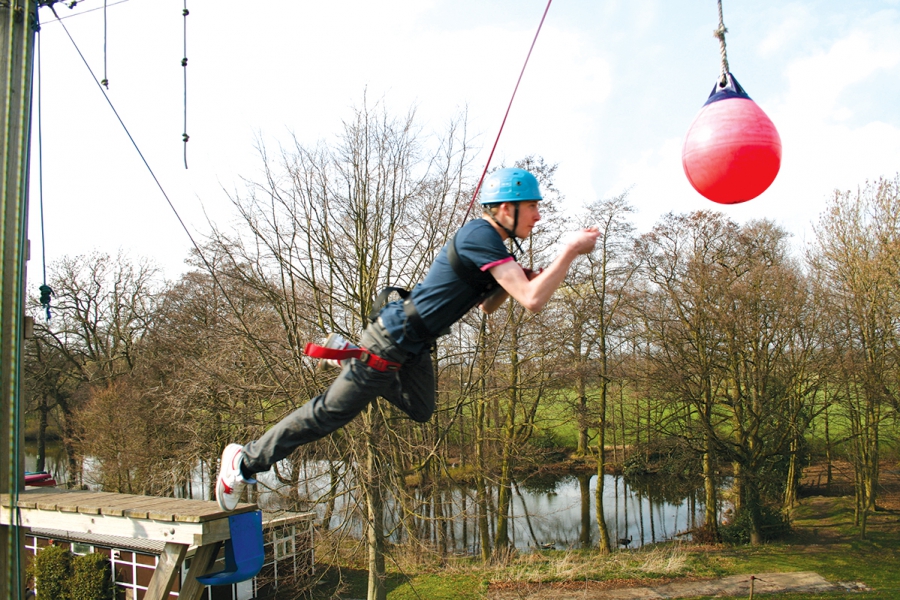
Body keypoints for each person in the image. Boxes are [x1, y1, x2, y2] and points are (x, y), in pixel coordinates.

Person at [215, 167, 599, 510]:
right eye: (532, 205)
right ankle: (244, 460)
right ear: (505, 209)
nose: (538, 215)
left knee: (421, 409)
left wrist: (522, 275)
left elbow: (489, 307)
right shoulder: (481, 234)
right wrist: (568, 253)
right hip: (392, 339)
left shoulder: (491, 243)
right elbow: (532, 302)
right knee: (330, 414)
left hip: (414, 345)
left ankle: (353, 356)